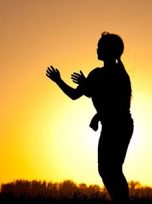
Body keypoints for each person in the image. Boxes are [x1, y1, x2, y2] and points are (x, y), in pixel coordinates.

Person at [46, 32, 133, 203]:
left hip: (119, 126)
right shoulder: (99, 74)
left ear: (109, 51)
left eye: (100, 46)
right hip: (114, 126)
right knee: (108, 169)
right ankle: (121, 201)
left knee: (111, 169)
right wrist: (60, 81)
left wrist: (97, 114)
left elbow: (116, 104)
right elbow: (79, 94)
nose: (97, 49)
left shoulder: (116, 74)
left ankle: (122, 202)